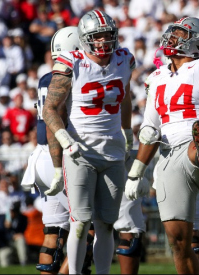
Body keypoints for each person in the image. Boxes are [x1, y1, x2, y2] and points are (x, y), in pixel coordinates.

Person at [125, 16, 199, 274]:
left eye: (181, 35)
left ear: (197, 44)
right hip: (170, 156)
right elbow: (149, 131)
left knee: (196, 141)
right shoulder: (156, 77)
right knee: (184, 241)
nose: (173, 37)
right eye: (174, 32)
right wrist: (136, 172)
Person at [42, 10, 134, 274]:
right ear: (84, 39)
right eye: (97, 37)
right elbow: (49, 109)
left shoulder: (124, 59)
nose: (104, 42)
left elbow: (125, 97)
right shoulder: (73, 62)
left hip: (114, 150)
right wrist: (64, 137)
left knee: (107, 223)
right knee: (80, 222)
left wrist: (127, 132)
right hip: (81, 151)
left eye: (108, 36)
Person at [20, 26, 83, 275]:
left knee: (53, 232)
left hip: (41, 157)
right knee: (88, 229)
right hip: (62, 156)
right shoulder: (72, 76)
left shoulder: (46, 77)